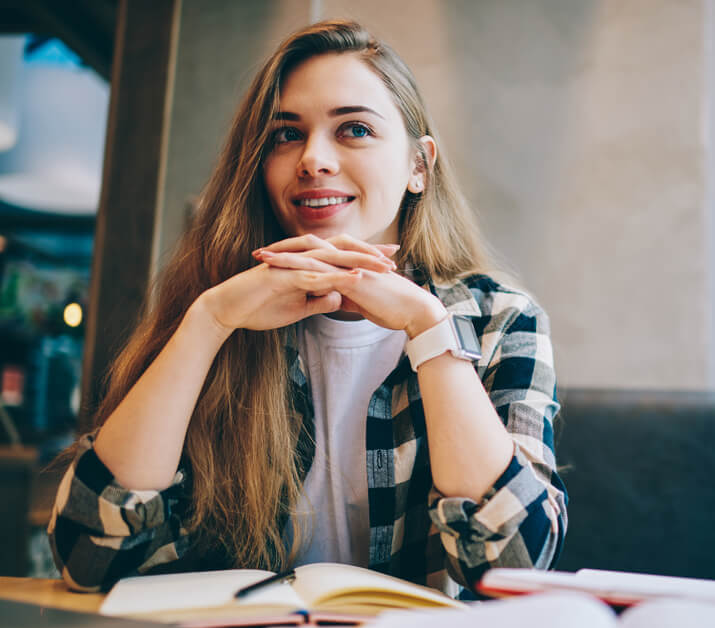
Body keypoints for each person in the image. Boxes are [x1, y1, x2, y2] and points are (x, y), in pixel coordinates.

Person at [48, 19, 566, 598]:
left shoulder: (500, 319)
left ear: (419, 166)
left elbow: (513, 563)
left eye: (354, 130)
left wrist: (428, 331)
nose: (313, 159)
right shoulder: (214, 303)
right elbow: (86, 556)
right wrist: (208, 323)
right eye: (284, 136)